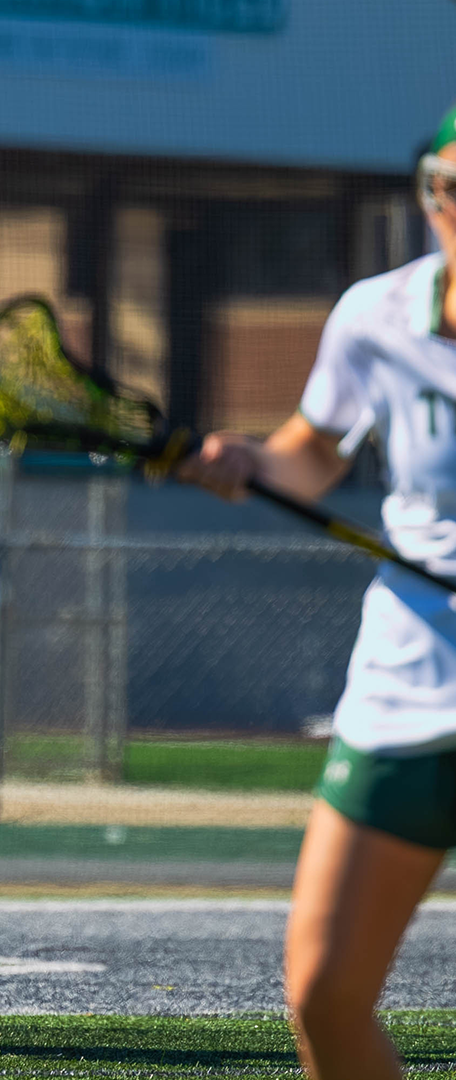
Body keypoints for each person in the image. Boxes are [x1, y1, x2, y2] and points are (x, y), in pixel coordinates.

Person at [177, 104, 456, 1080]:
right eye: (446, 189)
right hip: (408, 676)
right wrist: (242, 461)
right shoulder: (376, 318)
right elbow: (312, 456)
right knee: (325, 995)